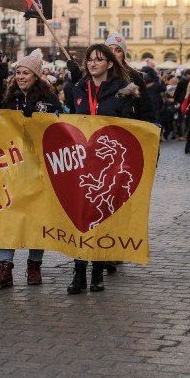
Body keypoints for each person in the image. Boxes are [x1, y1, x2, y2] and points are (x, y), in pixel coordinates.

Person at [0, 49, 62, 288]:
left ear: (36, 76)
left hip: (38, 166)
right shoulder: (11, 97)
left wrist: (41, 115)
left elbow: (59, 122)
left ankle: (34, 266)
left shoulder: (49, 99)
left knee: (36, 217)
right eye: (17, 72)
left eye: (25, 73)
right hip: (13, 166)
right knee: (8, 215)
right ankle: (5, 267)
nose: (20, 77)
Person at [67, 43, 137, 295]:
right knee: (79, 218)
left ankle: (97, 270)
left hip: (108, 163)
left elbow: (130, 126)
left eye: (99, 59)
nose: (93, 63)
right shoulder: (77, 89)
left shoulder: (123, 90)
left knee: (100, 217)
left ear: (110, 64)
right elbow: (69, 120)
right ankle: (78, 272)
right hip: (82, 162)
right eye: (90, 59)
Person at [105, 33, 155, 123]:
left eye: (118, 50)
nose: (113, 54)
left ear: (123, 55)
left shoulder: (133, 76)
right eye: (109, 49)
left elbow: (145, 107)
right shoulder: (98, 73)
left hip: (126, 128)